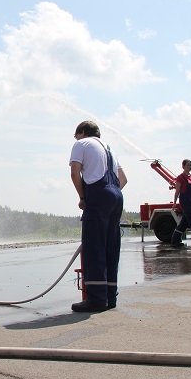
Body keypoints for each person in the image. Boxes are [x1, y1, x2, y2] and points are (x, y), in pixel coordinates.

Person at [69, 120, 127, 312]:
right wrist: (109, 195)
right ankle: (110, 297)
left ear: (82, 132)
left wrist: (84, 197)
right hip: (117, 196)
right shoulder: (109, 149)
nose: (75, 139)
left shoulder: (81, 144)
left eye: (76, 135)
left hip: (98, 195)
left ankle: (96, 299)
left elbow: (75, 173)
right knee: (111, 248)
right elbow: (123, 179)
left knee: (94, 248)